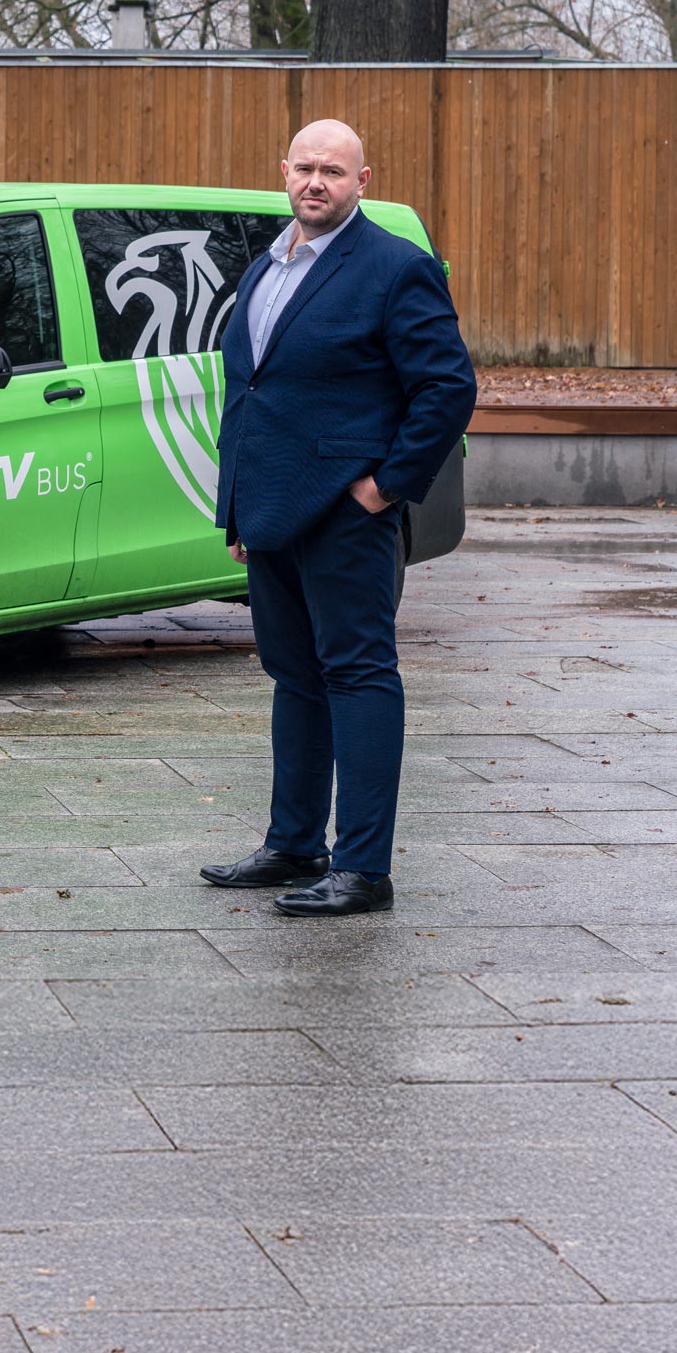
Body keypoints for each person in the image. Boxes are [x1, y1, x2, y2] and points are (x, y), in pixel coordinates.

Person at [199, 120, 476, 917]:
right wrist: (239, 510)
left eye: (334, 171)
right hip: (274, 515)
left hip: (349, 516)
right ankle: (293, 845)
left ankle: (363, 870)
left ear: (363, 181)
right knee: (294, 678)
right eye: (305, 168)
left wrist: (384, 489)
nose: (316, 182)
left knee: (358, 677)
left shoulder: (396, 268)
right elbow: (249, 396)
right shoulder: (265, 266)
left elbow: (448, 389)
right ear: (282, 171)